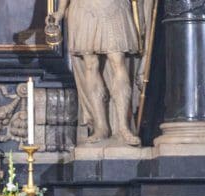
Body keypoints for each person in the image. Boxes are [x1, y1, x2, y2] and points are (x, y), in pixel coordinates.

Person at [49, 0, 143, 145]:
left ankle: (123, 127)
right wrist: (60, 11)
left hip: (113, 7)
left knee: (118, 61)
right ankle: (101, 127)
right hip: (84, 8)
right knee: (90, 65)